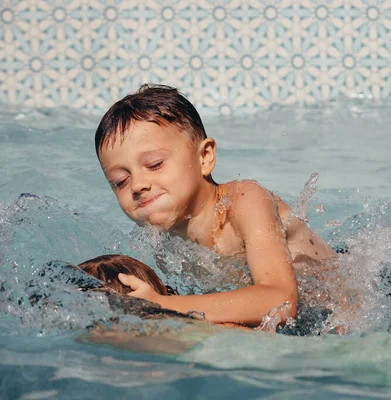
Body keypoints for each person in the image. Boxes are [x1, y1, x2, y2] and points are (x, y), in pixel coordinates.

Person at [94, 85, 337, 328]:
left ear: (204, 157)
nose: (137, 185)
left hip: (337, 311)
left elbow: (280, 302)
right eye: (120, 182)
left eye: (155, 164)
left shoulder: (245, 201)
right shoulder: (161, 243)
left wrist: (162, 305)